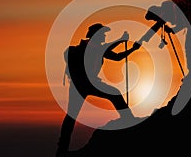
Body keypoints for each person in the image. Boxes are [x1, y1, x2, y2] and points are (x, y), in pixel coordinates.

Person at [56, 23, 140, 157]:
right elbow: (105, 49)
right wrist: (121, 39)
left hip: (81, 85)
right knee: (114, 94)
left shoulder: (97, 48)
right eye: (102, 34)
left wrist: (132, 49)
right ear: (95, 35)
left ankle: (62, 147)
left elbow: (117, 57)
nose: (104, 36)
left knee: (72, 114)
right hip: (85, 84)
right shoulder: (88, 47)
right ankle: (128, 118)